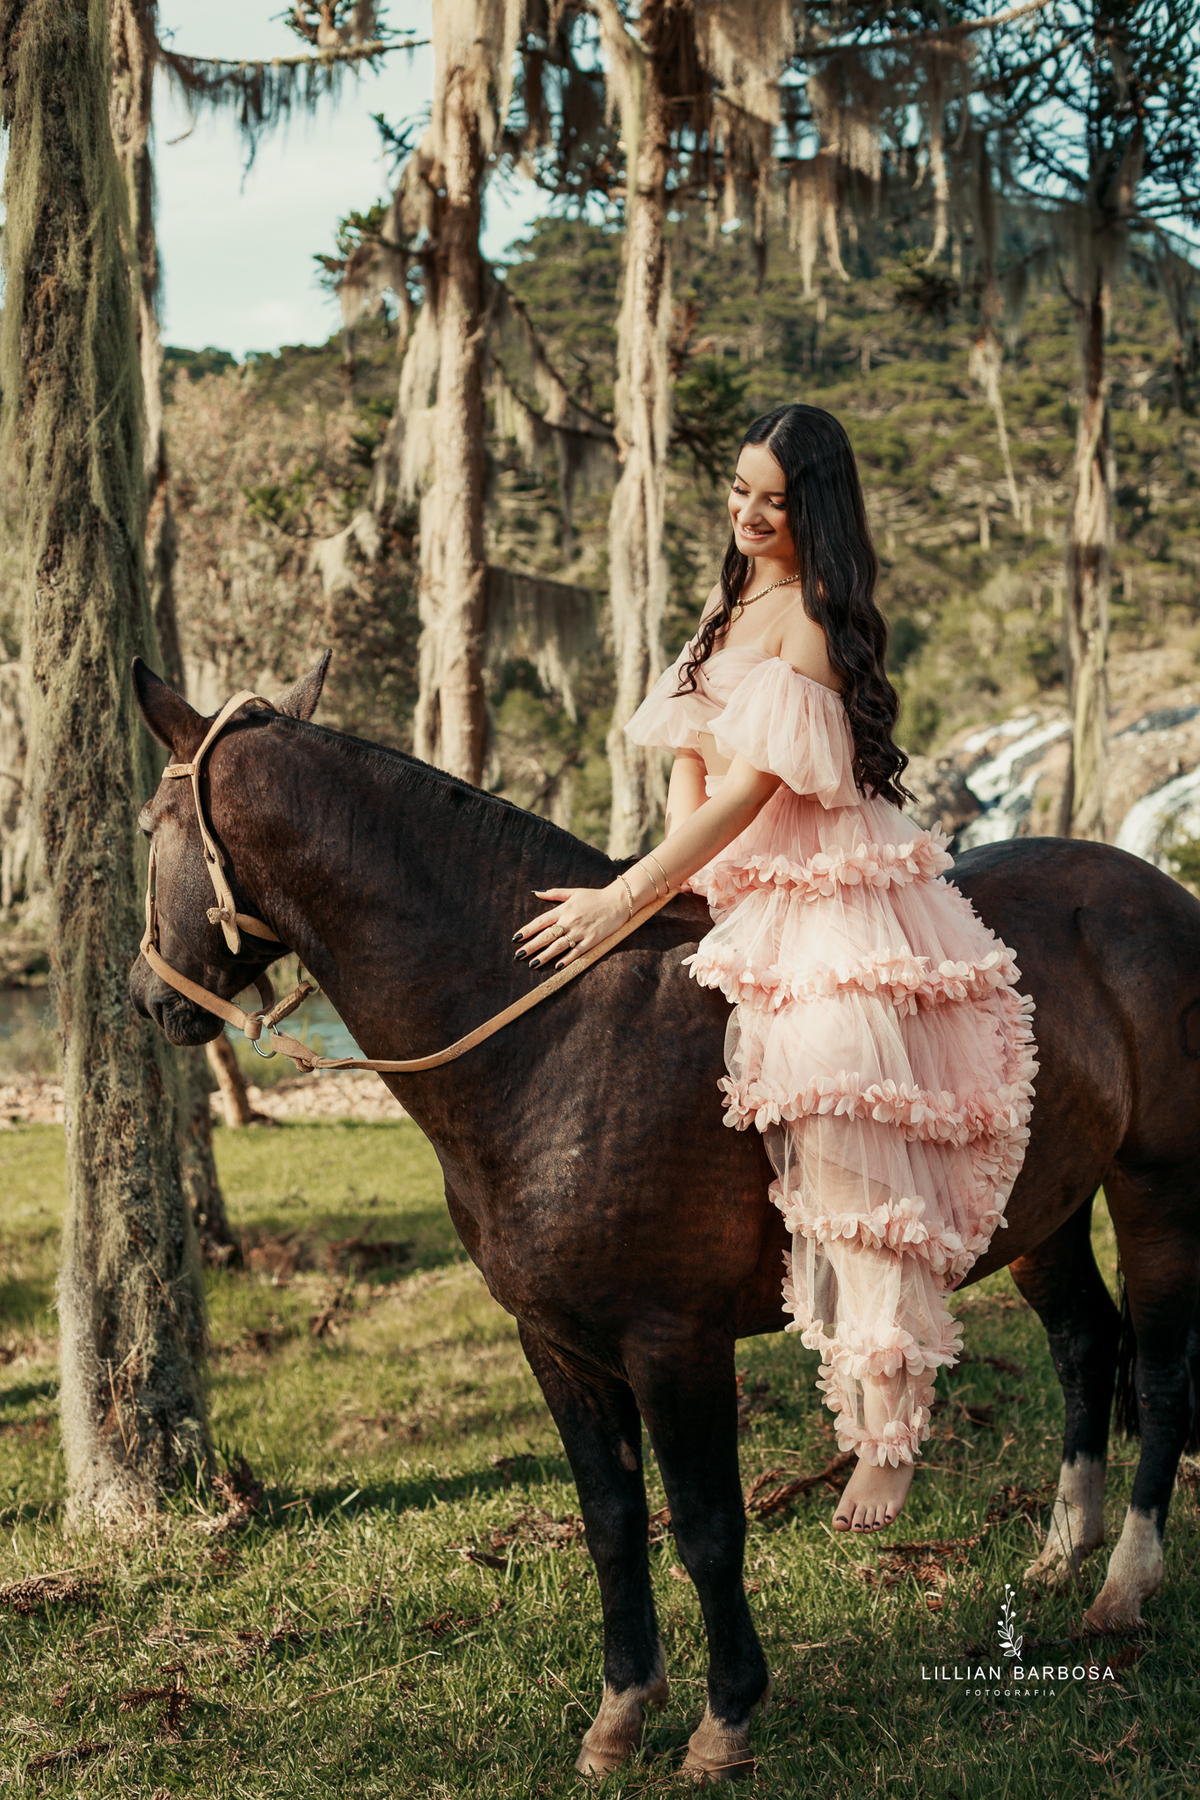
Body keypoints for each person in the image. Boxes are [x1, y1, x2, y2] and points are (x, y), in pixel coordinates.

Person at [513, 403, 1037, 1534]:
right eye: (741, 492)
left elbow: (758, 789)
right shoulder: (729, 604)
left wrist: (626, 894)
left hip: (822, 879)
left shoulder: (806, 619)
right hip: (726, 874)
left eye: (777, 501)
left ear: (819, 510)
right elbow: (693, 762)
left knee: (836, 1081)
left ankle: (889, 1424)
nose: (751, 515)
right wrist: (677, 883)